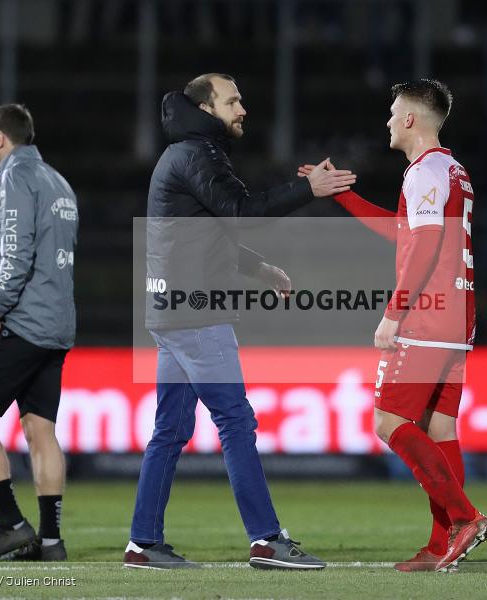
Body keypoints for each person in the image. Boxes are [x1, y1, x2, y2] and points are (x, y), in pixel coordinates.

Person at [125, 73, 355, 570]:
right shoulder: (198, 155)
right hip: (196, 313)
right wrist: (307, 188)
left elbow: (203, 231)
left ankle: (143, 542)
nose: (242, 108)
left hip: (169, 311)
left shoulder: (181, 154)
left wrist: (259, 268)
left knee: (170, 430)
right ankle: (267, 539)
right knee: (235, 421)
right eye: (233, 101)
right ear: (206, 108)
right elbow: (241, 210)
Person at [299, 79, 487, 572]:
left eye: (392, 113)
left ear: (409, 118)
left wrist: (394, 312)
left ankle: (464, 518)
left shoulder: (422, 172)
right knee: (440, 427)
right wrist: (345, 197)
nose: (387, 122)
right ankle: (440, 544)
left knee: (388, 421)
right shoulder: (453, 170)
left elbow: (424, 247)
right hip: (457, 313)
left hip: (426, 314)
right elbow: (404, 231)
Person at [0, 104, 78, 562]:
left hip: (22, 322)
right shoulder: (58, 181)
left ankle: (11, 524)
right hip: (58, 324)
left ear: (2, 139)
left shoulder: (13, 178)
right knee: (39, 429)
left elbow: (15, 252)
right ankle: (50, 541)